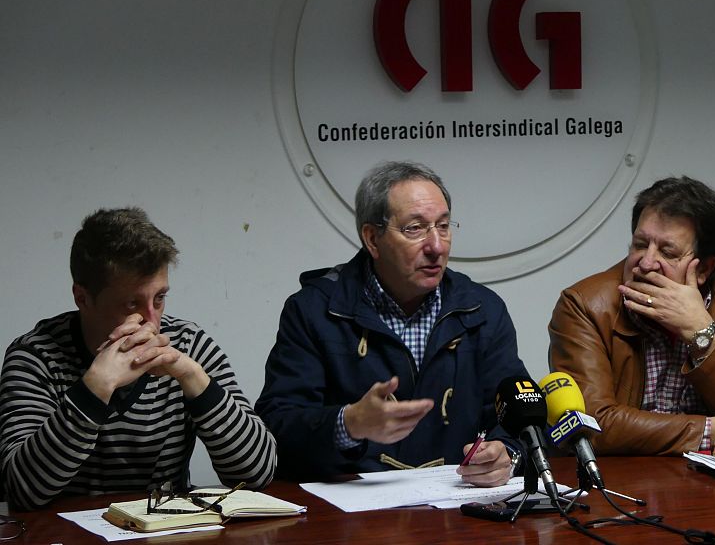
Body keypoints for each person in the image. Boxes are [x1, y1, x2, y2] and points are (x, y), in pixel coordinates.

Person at [255, 161, 528, 485]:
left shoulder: (483, 310)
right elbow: (278, 428)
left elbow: (520, 417)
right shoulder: (314, 311)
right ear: (372, 239)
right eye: (415, 228)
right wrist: (348, 424)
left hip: (457, 501)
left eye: (443, 226)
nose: (436, 246)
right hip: (352, 508)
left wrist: (508, 455)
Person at [0, 207, 276, 509]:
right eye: (132, 303)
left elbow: (258, 473)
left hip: (167, 525)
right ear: (82, 298)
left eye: (159, 298)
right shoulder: (35, 356)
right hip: (62, 530)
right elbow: (22, 492)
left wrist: (192, 378)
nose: (152, 322)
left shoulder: (189, 344)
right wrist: (96, 386)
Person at [549, 176, 715, 455]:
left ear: (704, 268)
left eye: (667, 252)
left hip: (711, 477)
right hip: (621, 477)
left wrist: (702, 333)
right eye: (640, 244)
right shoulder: (584, 305)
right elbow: (591, 428)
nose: (646, 263)